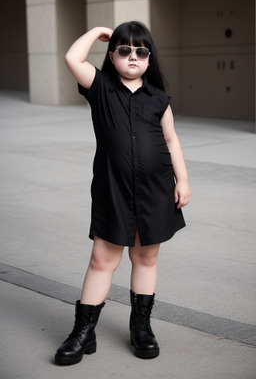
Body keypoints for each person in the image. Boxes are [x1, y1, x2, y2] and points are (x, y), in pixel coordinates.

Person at [55, 21, 190, 366]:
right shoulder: (101, 87)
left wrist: (183, 180)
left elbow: (172, 140)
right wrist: (98, 32)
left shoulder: (159, 99)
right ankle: (83, 332)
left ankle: (141, 327)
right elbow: (72, 57)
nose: (133, 56)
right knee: (103, 258)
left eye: (141, 51)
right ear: (112, 56)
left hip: (156, 190)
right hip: (113, 189)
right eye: (124, 50)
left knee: (145, 257)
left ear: (149, 60)